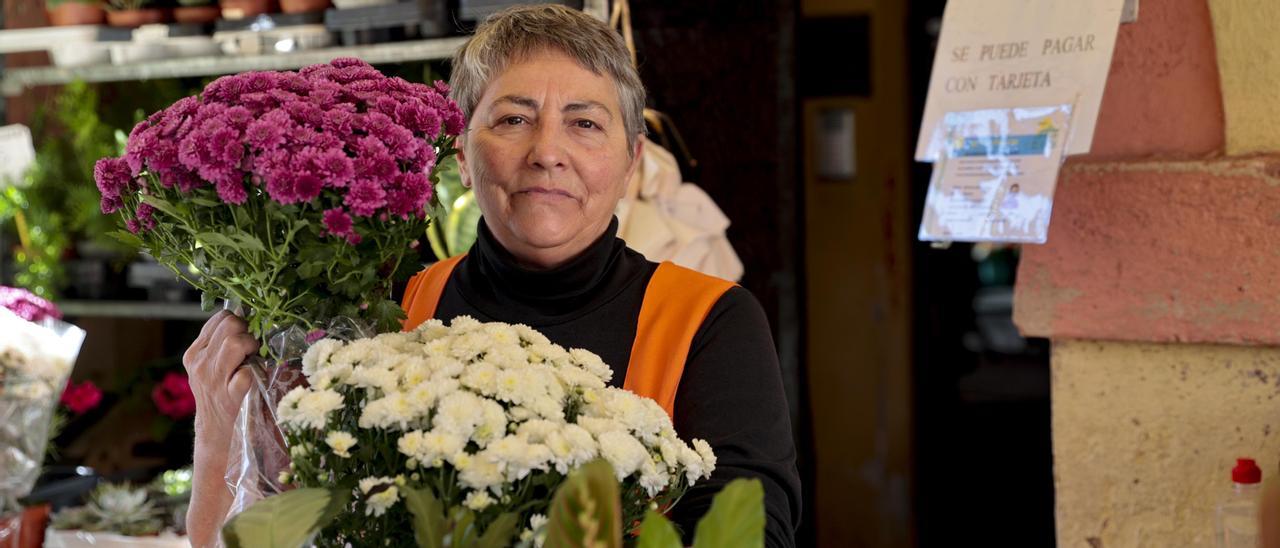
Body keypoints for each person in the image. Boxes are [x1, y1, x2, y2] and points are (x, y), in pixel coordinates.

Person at [183, 5, 801, 547]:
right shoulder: (388, 309)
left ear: (631, 161)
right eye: (512, 119)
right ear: (461, 154)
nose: (546, 151)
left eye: (585, 122)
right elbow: (255, 534)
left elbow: (749, 535)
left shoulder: (710, 321)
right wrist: (220, 433)